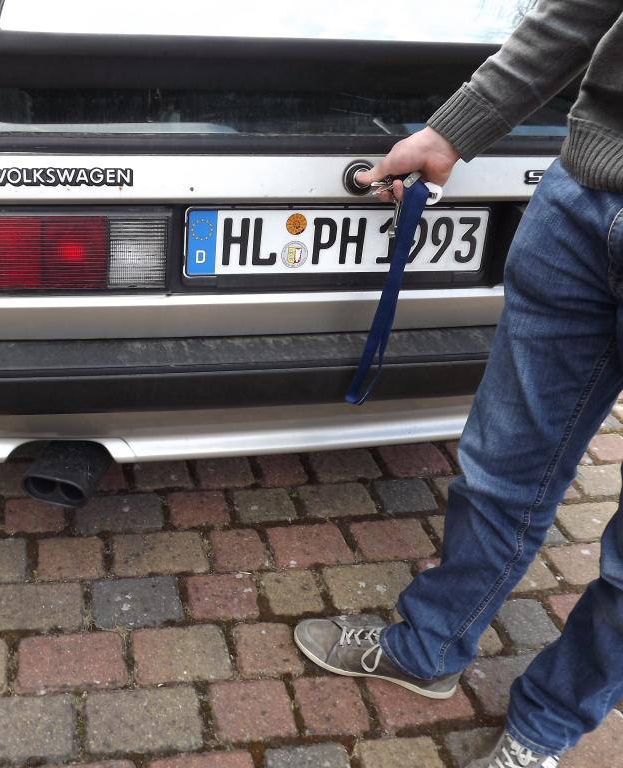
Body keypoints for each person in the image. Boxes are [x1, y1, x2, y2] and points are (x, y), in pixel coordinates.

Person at [294, 2, 623, 767]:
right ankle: (428, 646)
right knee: (499, 465)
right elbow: (579, 10)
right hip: (586, 195)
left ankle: (544, 727)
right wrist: (451, 131)